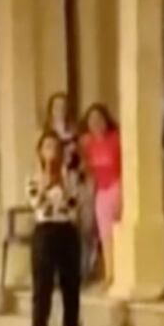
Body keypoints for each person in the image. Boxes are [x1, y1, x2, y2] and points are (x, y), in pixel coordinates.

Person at [26, 130, 87, 326]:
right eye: (47, 147)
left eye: (55, 147)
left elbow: (73, 205)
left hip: (66, 230)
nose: (52, 151)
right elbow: (37, 204)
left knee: (71, 284)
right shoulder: (33, 177)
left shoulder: (70, 176)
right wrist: (45, 185)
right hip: (45, 230)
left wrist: (63, 185)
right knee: (43, 285)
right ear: (41, 152)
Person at [44, 92, 96, 283]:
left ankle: (82, 269)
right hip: (56, 181)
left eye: (64, 105)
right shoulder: (45, 132)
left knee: (83, 226)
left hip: (76, 180)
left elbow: (83, 156)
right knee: (60, 226)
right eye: (57, 105)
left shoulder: (76, 132)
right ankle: (59, 272)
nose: (61, 109)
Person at [81, 104, 121, 290]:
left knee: (119, 231)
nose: (96, 123)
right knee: (105, 234)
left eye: (99, 119)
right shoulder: (88, 144)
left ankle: (121, 272)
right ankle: (109, 273)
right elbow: (88, 170)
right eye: (91, 120)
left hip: (117, 186)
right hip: (101, 191)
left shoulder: (116, 139)